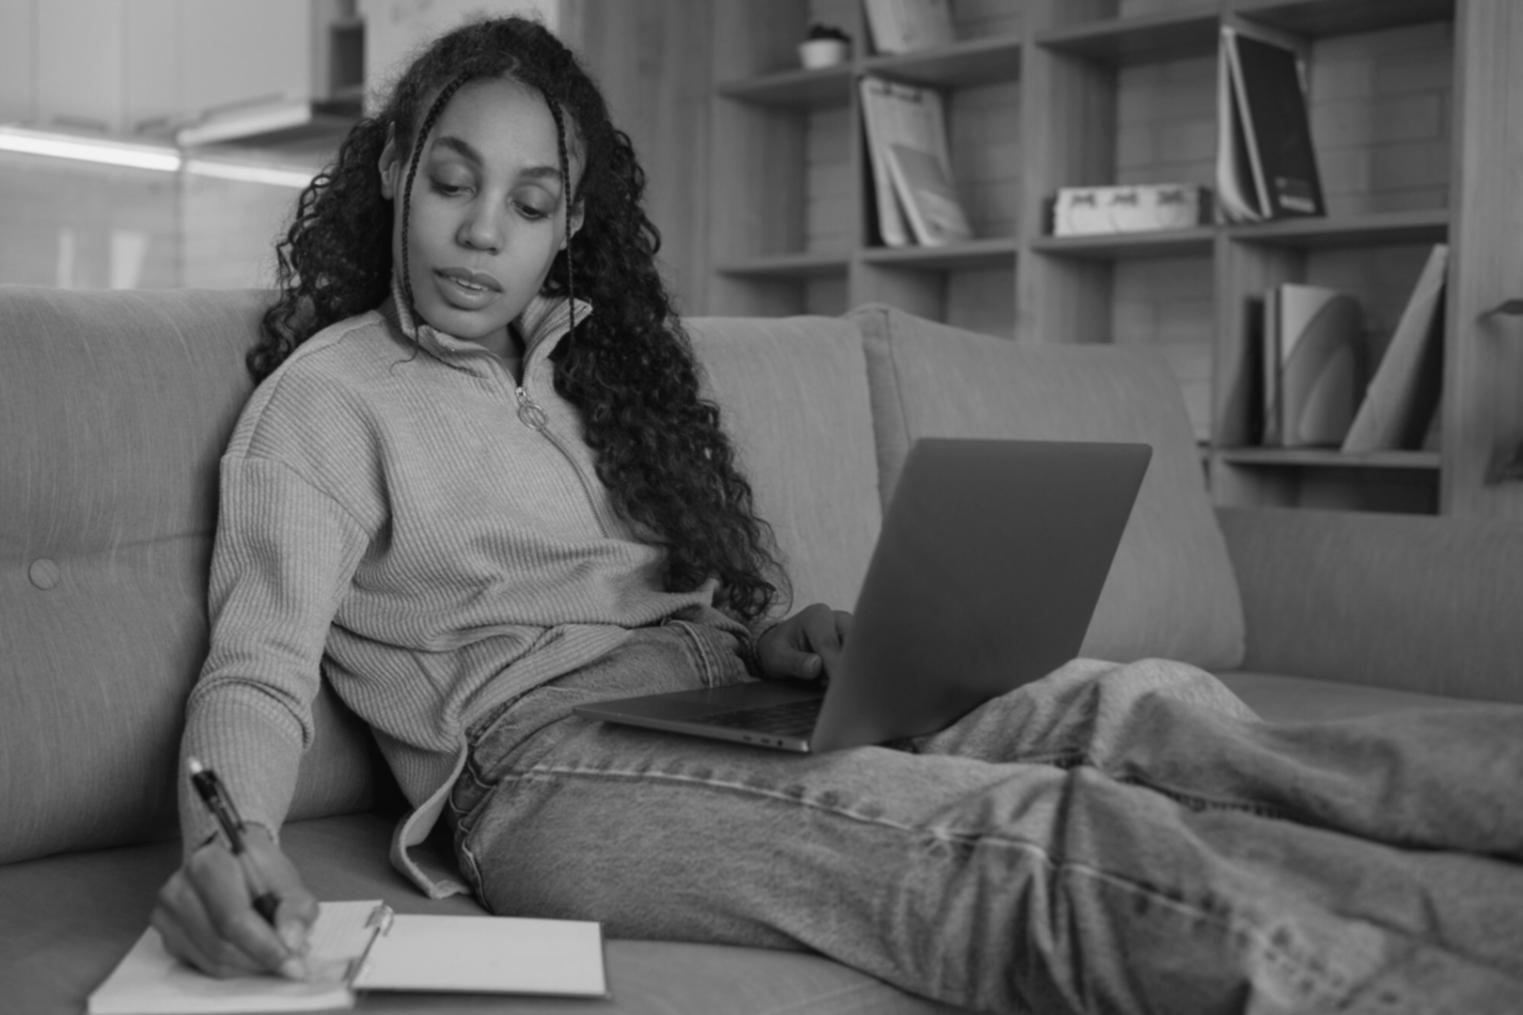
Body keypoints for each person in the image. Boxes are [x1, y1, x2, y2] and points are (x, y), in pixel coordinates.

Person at [152, 15, 1523, 1013]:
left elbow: (672, 601)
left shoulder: (591, 367)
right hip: (547, 767)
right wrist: (236, 845)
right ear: (394, 170)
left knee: (1142, 704)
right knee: (1018, 841)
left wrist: (768, 642)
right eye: (451, 181)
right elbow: (257, 669)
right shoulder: (325, 406)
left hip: (716, 700)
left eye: (528, 202)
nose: (478, 234)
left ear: (567, 227)